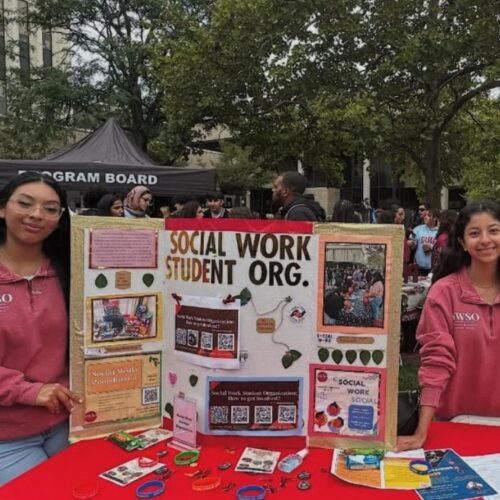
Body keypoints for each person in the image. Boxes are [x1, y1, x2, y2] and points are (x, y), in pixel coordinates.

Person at [396, 200, 500, 452]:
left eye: (494, 230)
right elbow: (435, 362)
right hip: (453, 425)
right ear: (463, 242)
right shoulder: (444, 293)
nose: (485, 239)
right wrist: (422, 432)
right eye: (475, 233)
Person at [0, 172, 83, 485]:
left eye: (51, 209)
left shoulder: (71, 273)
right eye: (25, 203)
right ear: (2, 208)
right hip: (7, 437)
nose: (37, 215)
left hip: (71, 424)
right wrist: (29, 391)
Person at [408, 208, 439, 275]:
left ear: (435, 218)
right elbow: (412, 247)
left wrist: (431, 248)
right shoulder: (417, 229)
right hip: (418, 268)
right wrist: (412, 244)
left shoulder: (439, 231)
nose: (425, 217)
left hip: (433, 269)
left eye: (428, 215)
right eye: (425, 215)